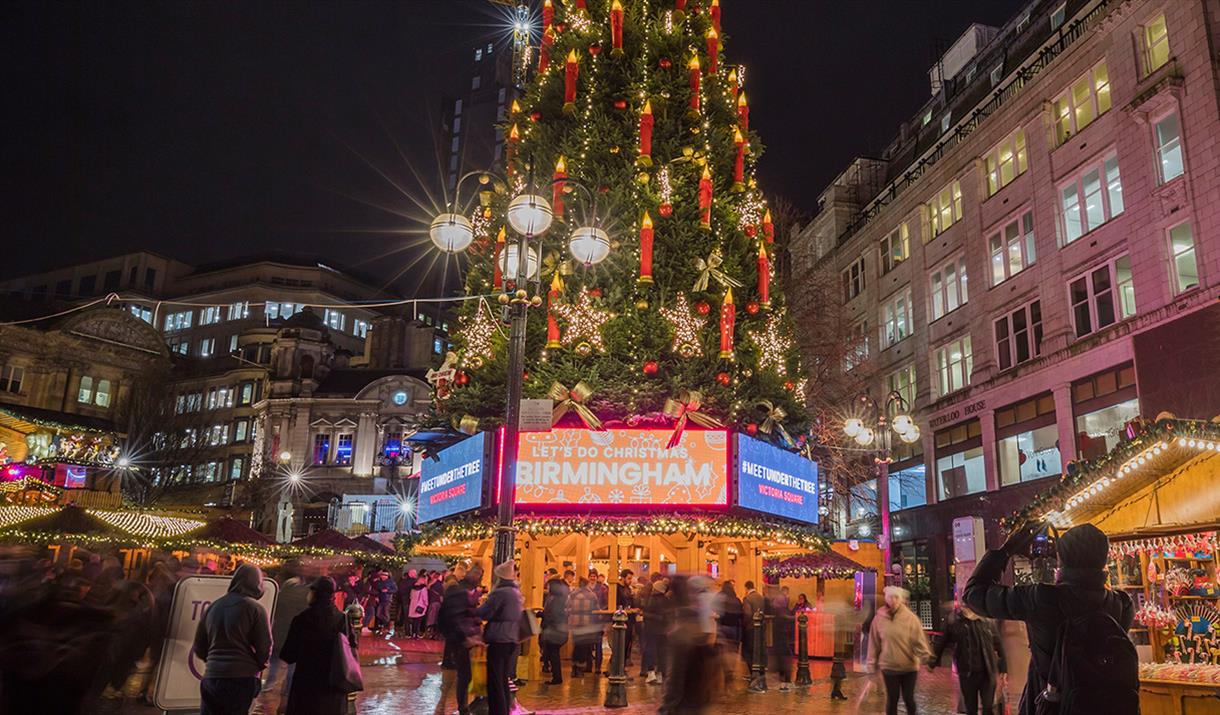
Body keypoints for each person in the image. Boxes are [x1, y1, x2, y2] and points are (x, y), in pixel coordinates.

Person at [964, 522, 1135, 715]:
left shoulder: (1043, 599)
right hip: (1106, 707)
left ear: (1062, 558)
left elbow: (973, 595)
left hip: (1052, 706)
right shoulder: (1122, 604)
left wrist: (1006, 550)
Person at [192, 563, 273, 715]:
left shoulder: (214, 606)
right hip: (241, 677)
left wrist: (214, 662)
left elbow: (199, 645)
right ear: (257, 584)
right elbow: (265, 645)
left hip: (212, 675)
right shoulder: (255, 609)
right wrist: (258, 665)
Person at [279, 577, 358, 715]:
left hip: (306, 686)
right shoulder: (343, 620)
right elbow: (352, 648)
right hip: (334, 685)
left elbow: (288, 654)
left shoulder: (302, 619)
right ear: (333, 595)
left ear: (314, 593)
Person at [932, 605, 1007, 715]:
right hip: (967, 672)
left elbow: (998, 644)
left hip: (987, 671)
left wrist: (1004, 667)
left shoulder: (987, 621)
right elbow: (943, 641)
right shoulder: (955, 622)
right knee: (971, 708)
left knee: (988, 707)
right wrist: (932, 662)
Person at [868, 586, 932, 715]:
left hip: (909, 666)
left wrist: (926, 656)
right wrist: (871, 662)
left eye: (896, 597)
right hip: (889, 666)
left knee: (909, 698)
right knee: (892, 699)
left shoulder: (911, 618)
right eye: (890, 597)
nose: (894, 600)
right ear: (886, 599)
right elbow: (874, 642)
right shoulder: (879, 619)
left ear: (901, 599)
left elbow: (918, 640)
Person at [476, 561, 524, 715]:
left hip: (499, 637)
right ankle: (504, 710)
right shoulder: (515, 592)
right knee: (503, 678)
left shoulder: (500, 593)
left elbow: (485, 612)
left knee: (495, 680)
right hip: (511, 638)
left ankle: (497, 711)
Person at [439, 565, 483, 715]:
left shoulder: (463, 591)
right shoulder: (462, 592)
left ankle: (464, 706)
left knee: (465, 674)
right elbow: (458, 617)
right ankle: (463, 708)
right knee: (464, 675)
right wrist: (466, 637)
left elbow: (467, 614)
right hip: (460, 639)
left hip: (459, 638)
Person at [540, 575, 570, 685]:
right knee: (553, 653)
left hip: (555, 631)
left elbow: (553, 615)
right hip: (558, 630)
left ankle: (557, 678)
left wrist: (542, 615)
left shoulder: (556, 599)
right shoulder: (559, 598)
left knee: (554, 654)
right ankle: (556, 676)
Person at [568, 577, 600, 677]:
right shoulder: (592, 595)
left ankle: (574, 668)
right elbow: (596, 609)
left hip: (575, 624)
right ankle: (580, 669)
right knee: (584, 647)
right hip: (587, 624)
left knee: (576, 646)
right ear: (587, 584)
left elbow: (567, 606)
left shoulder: (573, 594)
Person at [713, 580, 743, 686]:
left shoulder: (719, 597)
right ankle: (731, 671)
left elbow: (715, 611)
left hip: (723, 627)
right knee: (733, 650)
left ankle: (725, 670)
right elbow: (741, 614)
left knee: (723, 651)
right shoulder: (736, 599)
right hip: (734, 628)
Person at [642, 578, 672, 684]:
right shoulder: (666, 600)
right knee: (662, 652)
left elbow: (647, 613)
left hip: (651, 629)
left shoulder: (651, 600)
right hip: (663, 630)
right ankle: (660, 673)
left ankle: (651, 673)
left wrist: (644, 615)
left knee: (650, 650)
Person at [768, 585, 795, 691]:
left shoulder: (776, 603)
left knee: (782, 655)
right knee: (785, 655)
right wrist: (793, 618)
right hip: (782, 632)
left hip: (779, 632)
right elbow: (784, 616)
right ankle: (785, 680)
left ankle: (783, 678)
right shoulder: (781, 603)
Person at [741, 580, 764, 671]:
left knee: (748, 651)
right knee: (758, 650)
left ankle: (752, 671)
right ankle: (759, 670)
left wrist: (744, 626)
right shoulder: (761, 597)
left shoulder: (748, 599)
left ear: (746, 588)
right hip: (761, 627)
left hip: (750, 628)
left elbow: (747, 614)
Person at [408, 571, 429, 638]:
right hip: (420, 606)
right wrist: (426, 604)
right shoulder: (423, 588)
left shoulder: (413, 587)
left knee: (414, 621)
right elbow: (425, 598)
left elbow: (410, 596)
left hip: (413, 606)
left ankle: (413, 633)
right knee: (418, 621)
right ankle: (416, 634)